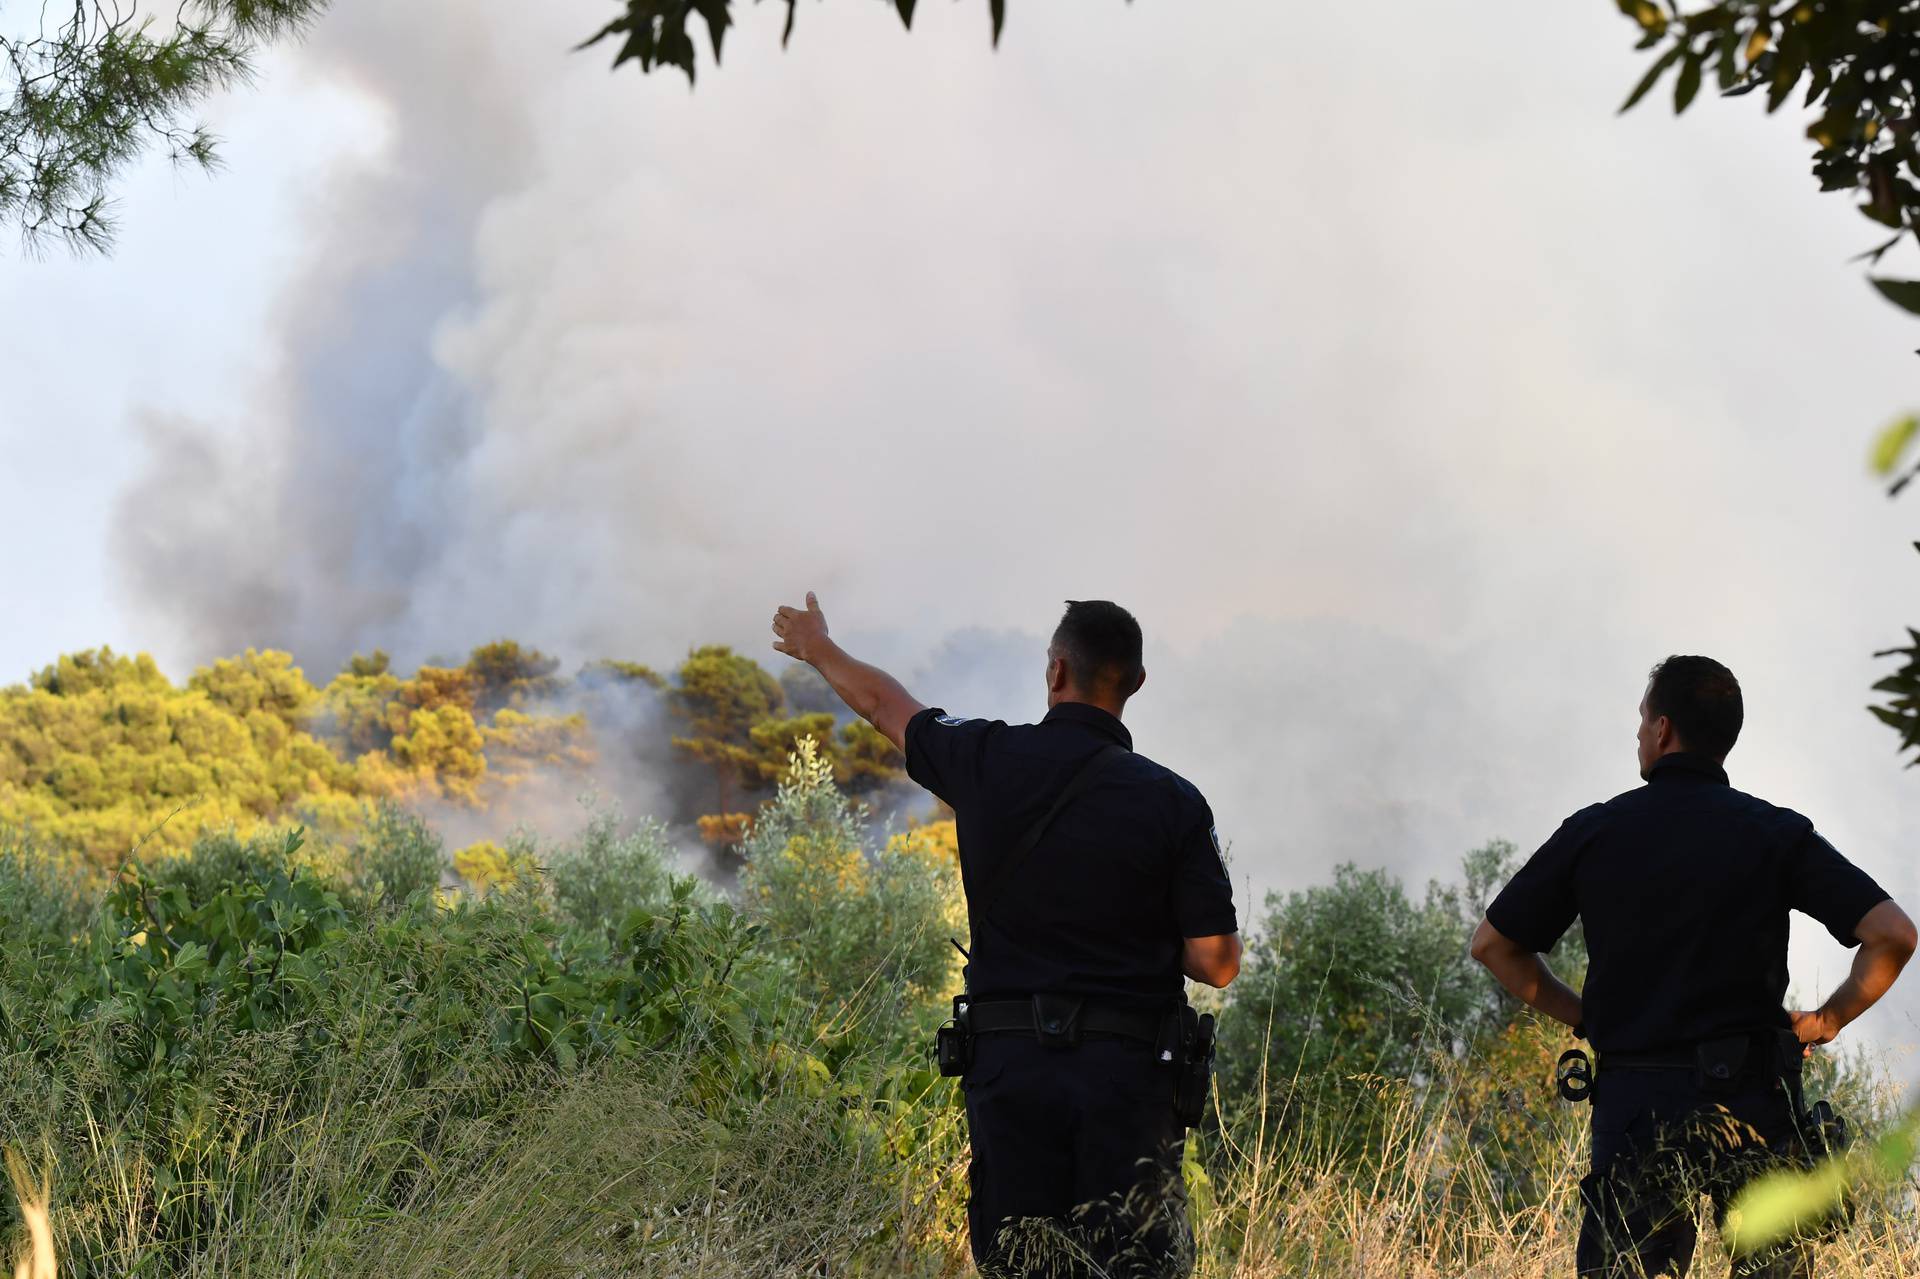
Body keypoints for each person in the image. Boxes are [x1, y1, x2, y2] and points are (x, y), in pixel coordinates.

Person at [771, 592, 1241, 1278]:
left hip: (1011, 1073)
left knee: (1023, 1261)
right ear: (1135, 683)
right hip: (1129, 1080)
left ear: (1056, 672)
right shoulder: (1173, 800)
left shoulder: (985, 757)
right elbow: (1217, 963)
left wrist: (818, 646)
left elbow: (883, 705)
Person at [1470, 655, 1917, 1279]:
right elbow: (1892, 934)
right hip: (1755, 1101)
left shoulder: (1595, 832)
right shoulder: (1775, 833)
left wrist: (1585, 1015)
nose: (1639, 735)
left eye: (1642, 720)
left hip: (1634, 1102)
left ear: (1662, 730)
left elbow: (1494, 945)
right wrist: (1828, 1019)